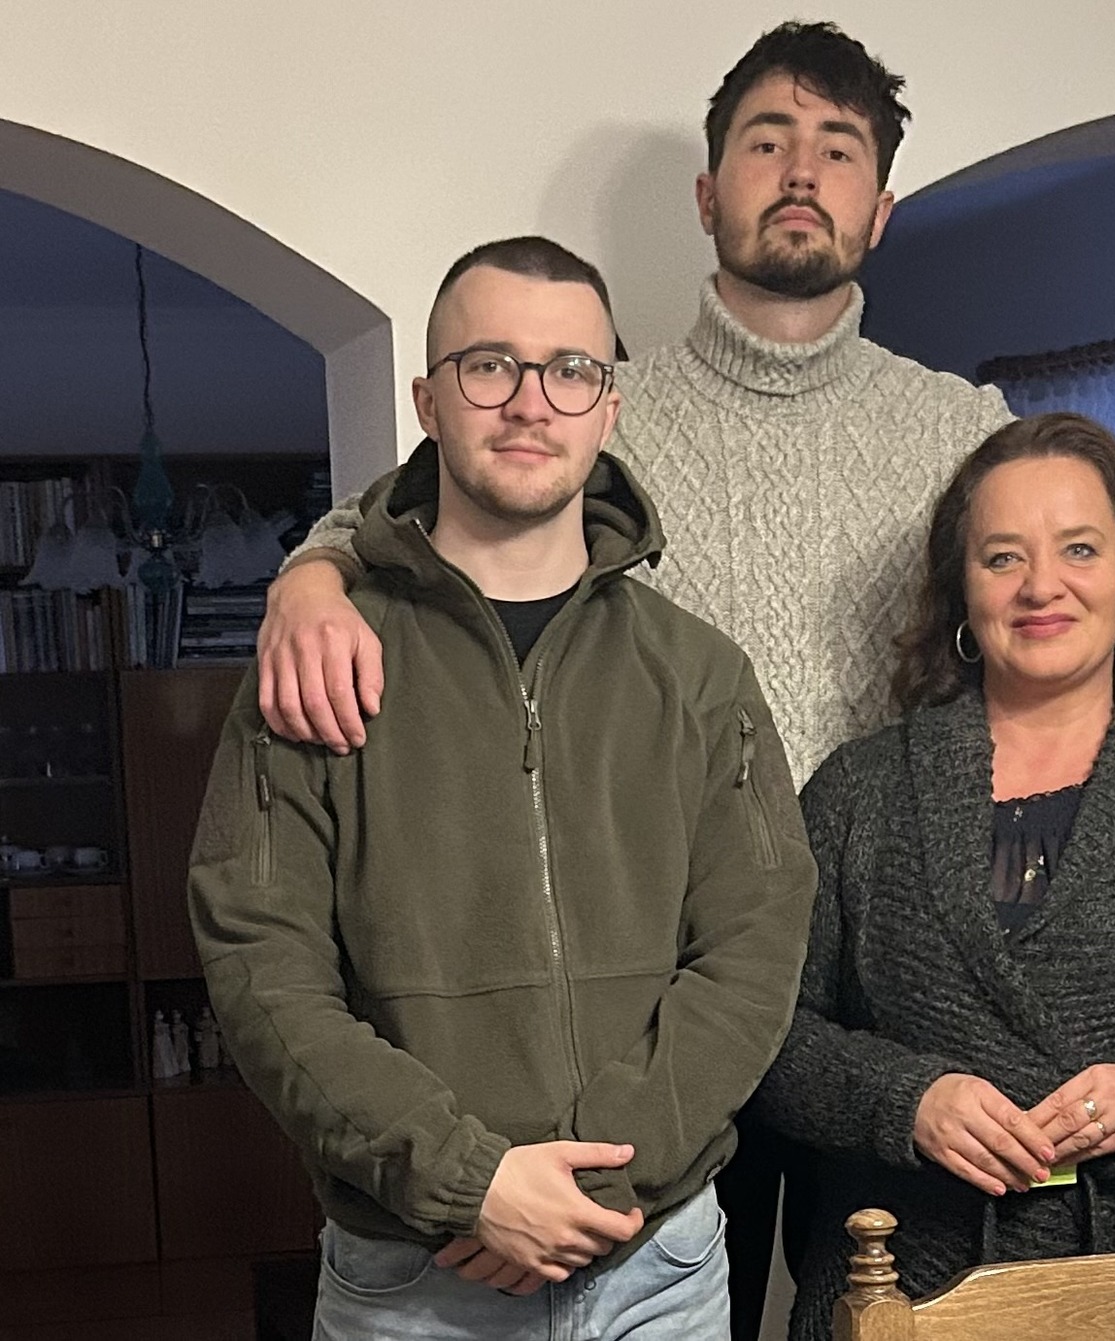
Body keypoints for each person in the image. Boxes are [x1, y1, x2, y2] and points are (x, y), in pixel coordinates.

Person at [252, 22, 1010, 1336]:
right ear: (706, 195)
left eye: (838, 151)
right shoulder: (592, 402)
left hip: (874, 985)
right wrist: (308, 573)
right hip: (651, 989)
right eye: (766, 142)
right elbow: (430, 508)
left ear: (881, 210)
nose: (800, 173)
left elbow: (1050, 608)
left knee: (864, 1318)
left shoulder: (962, 429)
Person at [188, 237, 817, 1340]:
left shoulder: (701, 674)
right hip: (409, 1283)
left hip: (655, 1272)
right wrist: (464, 1177)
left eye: (570, 369)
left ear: (608, 408)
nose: (531, 401)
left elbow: (753, 955)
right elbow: (261, 966)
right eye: (490, 366)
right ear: (429, 402)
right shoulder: (316, 663)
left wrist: (592, 1183)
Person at [754, 412, 1115, 1341]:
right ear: (961, 591)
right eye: (1002, 557)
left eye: (1079, 548)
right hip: (902, 1293)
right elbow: (768, 1037)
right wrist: (907, 1102)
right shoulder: (859, 789)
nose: (1041, 585)